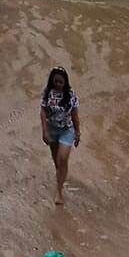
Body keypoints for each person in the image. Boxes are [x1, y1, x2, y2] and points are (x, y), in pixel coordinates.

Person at [40, 66, 81, 206]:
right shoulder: (47, 93)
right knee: (57, 161)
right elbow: (43, 112)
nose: (58, 84)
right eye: (55, 81)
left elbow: (75, 115)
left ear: (65, 82)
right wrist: (44, 131)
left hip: (66, 130)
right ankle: (60, 177)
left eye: (60, 82)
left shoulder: (71, 95)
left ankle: (59, 191)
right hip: (52, 130)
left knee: (63, 158)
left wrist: (77, 132)